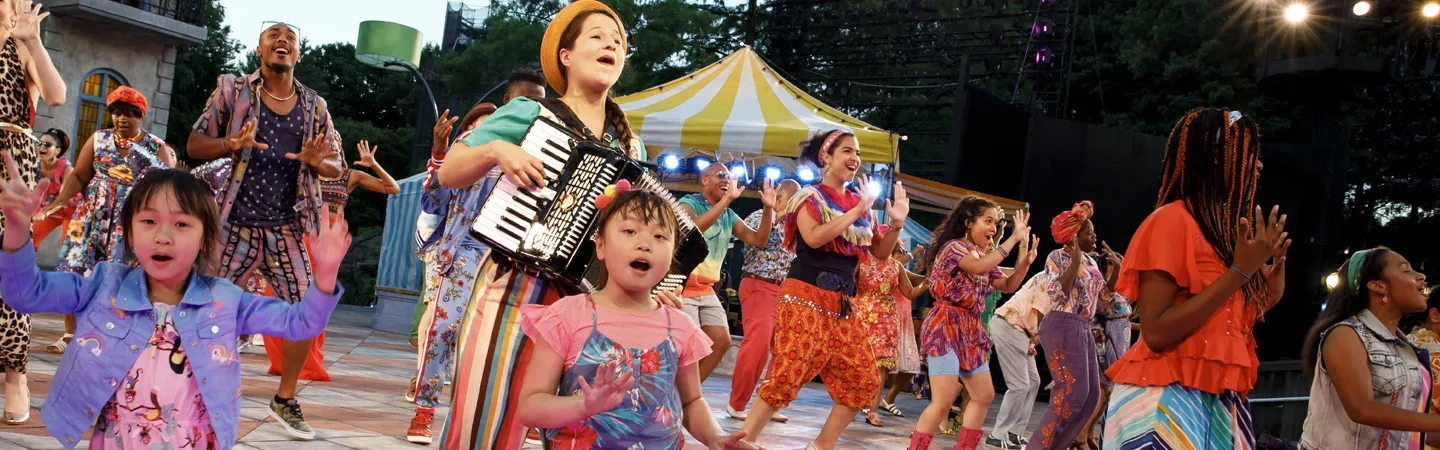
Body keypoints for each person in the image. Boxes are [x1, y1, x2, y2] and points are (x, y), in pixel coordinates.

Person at [435, 3, 657, 448]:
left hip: (588, 305)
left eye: (617, 41)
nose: (611, 44)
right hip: (515, 289)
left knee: (582, 434)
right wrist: (497, 150)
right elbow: (449, 171)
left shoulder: (631, 146)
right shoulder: (529, 112)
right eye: (597, 36)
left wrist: (656, 282)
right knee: (486, 426)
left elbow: (638, 233)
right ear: (566, 56)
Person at [0, 166, 348, 449]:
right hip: (117, 440)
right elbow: (26, 294)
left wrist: (325, 277)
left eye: (181, 224)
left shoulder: (226, 300)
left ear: (205, 239)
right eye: (148, 221)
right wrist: (16, 233)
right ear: (129, 233)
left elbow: (301, 323)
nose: (163, 236)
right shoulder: (102, 287)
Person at [184, 21, 345, 440]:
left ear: (298, 53)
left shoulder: (315, 106)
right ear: (260, 50)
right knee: (204, 309)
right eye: (273, 35)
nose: (282, 41)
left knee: (306, 313)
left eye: (290, 37)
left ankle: (285, 399)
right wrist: (230, 144)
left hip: (287, 227)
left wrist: (318, 162)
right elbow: (194, 145)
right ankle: (194, 387)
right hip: (232, 223)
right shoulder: (233, 90)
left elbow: (336, 165)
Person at [1101, 108, 1289, 449]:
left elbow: (1218, 329)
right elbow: (1157, 333)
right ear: (1216, 157)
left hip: (1215, 400)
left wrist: (1267, 295)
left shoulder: (1223, 234)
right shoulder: (1171, 221)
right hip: (1164, 399)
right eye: (1249, 153)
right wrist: (1239, 273)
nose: (1259, 165)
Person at [517, 186, 758, 449]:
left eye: (659, 236)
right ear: (601, 246)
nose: (644, 244)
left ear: (672, 256)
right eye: (630, 231)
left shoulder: (680, 325)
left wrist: (715, 436)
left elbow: (691, 402)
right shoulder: (567, 316)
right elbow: (530, 408)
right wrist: (582, 405)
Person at [738, 129, 911, 450]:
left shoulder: (860, 204)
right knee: (789, 373)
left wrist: (897, 224)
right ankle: (741, 442)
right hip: (804, 294)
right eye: (847, 151)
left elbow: (879, 253)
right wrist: (856, 212)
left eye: (858, 153)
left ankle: (820, 446)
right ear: (826, 157)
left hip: (843, 304)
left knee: (863, 379)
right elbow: (814, 237)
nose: (855, 158)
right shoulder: (810, 196)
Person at [406, 68, 545, 443]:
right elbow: (434, 198)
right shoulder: (472, 142)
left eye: (541, 103)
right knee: (443, 329)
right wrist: (438, 156)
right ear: (509, 103)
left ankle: (524, 413)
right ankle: (424, 411)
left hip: (514, 258)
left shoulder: (542, 148)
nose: (534, 109)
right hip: (465, 252)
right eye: (527, 101)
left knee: (515, 340)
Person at [250, 136, 399, 382]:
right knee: (275, 295)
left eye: (332, 144)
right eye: (324, 144)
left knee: (315, 301)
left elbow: (393, 188)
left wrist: (373, 165)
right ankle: (281, 360)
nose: (328, 148)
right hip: (298, 238)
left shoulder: (349, 176)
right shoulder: (304, 173)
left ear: (338, 149)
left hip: (328, 243)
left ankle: (307, 362)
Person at [908, 196, 1037, 450]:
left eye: (996, 223)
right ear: (968, 223)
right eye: (988, 221)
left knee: (984, 395)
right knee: (944, 400)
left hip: (971, 328)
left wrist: (1025, 263)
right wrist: (1012, 240)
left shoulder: (983, 255)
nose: (993, 228)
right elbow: (978, 268)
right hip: (945, 325)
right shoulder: (954, 248)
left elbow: (1007, 285)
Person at [1300, 247, 1438, 447]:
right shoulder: (1346, 334)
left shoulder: (1407, 349)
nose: (1421, 276)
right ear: (1378, 286)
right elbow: (1362, 409)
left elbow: (1409, 433)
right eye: (1406, 270)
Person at [678, 163, 777, 382]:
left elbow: (759, 240)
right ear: (705, 180)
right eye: (721, 175)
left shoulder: (729, 215)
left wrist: (768, 209)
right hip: (681, 286)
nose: (726, 180)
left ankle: (689, 394)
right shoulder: (688, 203)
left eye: (729, 176)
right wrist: (726, 201)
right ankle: (682, 393)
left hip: (706, 289)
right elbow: (692, 230)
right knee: (689, 346)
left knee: (721, 341)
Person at [1025, 202, 1109, 450]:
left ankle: (1057, 446)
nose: (1094, 236)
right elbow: (1057, 294)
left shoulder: (1091, 262)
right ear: (1074, 236)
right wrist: (1074, 261)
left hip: (1083, 326)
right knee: (1070, 393)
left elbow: (1104, 300)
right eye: (1089, 232)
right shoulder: (1057, 257)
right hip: (1062, 323)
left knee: (1090, 396)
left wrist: (1115, 270)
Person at [727, 179, 800, 421]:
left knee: (783, 350)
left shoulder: (796, 227)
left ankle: (768, 404)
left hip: (785, 291)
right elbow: (761, 240)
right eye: (793, 200)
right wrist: (775, 213)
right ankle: (737, 403)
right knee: (756, 346)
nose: (797, 205)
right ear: (779, 197)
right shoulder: (759, 216)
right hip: (760, 285)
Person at [857, 244, 927, 427]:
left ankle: (873, 411)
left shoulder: (896, 266)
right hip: (862, 317)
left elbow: (909, 293)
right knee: (859, 362)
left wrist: (925, 284)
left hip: (886, 321)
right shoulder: (862, 260)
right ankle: (854, 401)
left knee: (881, 367)